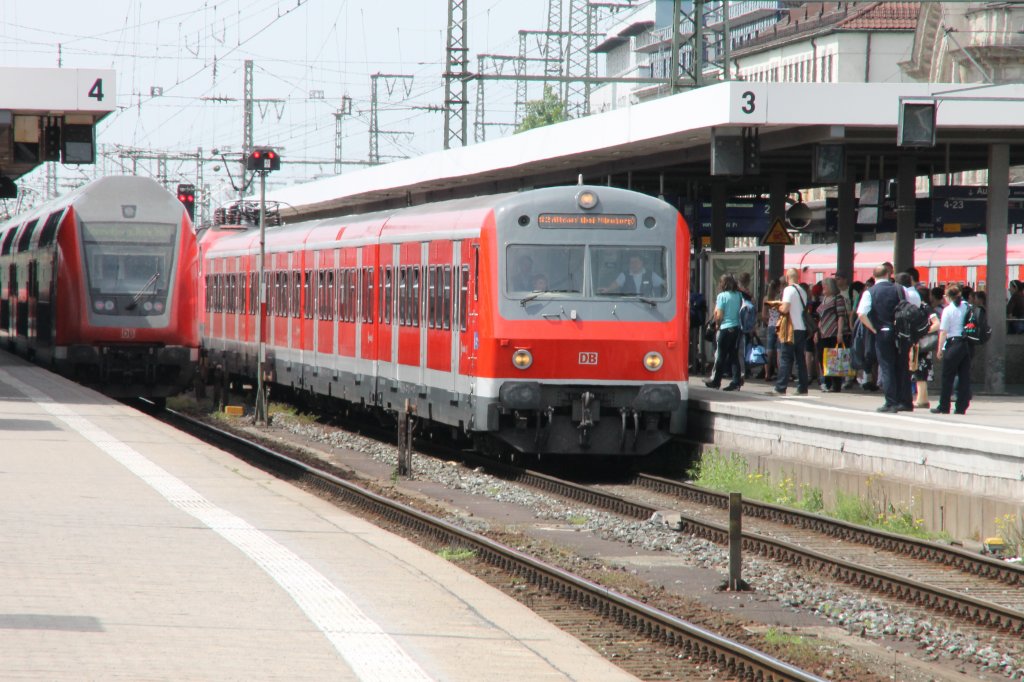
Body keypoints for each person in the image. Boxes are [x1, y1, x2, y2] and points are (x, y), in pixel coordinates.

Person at [932, 284, 972, 415]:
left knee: (947, 376)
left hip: (953, 343)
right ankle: (961, 407)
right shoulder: (967, 306)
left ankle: (944, 406)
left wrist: (939, 349)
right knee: (964, 376)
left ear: (948, 296)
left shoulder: (948, 310)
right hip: (966, 343)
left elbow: (943, 331)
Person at [768, 268, 809, 396]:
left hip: (790, 329)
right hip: (801, 328)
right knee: (800, 359)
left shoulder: (788, 290)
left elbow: (785, 309)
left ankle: (780, 387)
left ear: (787, 278)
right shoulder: (803, 291)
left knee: (786, 358)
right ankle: (803, 387)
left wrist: (776, 305)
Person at [704, 273, 743, 391]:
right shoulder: (738, 295)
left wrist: (716, 324)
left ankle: (716, 381)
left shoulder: (722, 296)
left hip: (725, 328)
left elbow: (719, 315)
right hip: (736, 328)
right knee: (734, 355)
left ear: (723, 284)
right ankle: (736, 382)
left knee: (721, 356)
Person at [910, 284, 941, 409]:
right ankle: (922, 398)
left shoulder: (924, 307)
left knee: (920, 371)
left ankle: (921, 400)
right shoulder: (923, 307)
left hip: (921, 344)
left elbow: (937, 323)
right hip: (922, 344)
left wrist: (923, 331)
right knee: (919, 371)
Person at [816, 277, 848, 392]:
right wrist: (817, 332)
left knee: (834, 358)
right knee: (822, 358)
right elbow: (821, 317)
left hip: (833, 333)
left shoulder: (838, 299)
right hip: (822, 333)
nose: (823, 288)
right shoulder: (824, 298)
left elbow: (840, 316)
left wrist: (840, 332)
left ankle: (835, 384)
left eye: (825, 286)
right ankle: (827, 382)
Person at [761, 278, 782, 381]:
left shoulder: (766, 299)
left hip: (770, 325)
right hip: (779, 326)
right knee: (779, 351)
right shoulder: (780, 298)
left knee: (769, 350)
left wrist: (768, 322)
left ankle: (767, 374)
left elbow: (764, 315)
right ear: (778, 287)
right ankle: (780, 373)